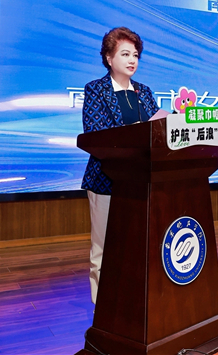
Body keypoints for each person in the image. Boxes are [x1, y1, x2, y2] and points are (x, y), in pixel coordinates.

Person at [81, 27, 169, 305]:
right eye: (125, 54)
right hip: (106, 180)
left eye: (136, 55)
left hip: (142, 181)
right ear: (109, 58)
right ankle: (102, 308)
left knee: (137, 246)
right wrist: (139, 129)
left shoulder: (144, 92)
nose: (132, 60)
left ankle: (133, 304)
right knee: (104, 247)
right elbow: (97, 133)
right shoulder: (96, 89)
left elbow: (157, 132)